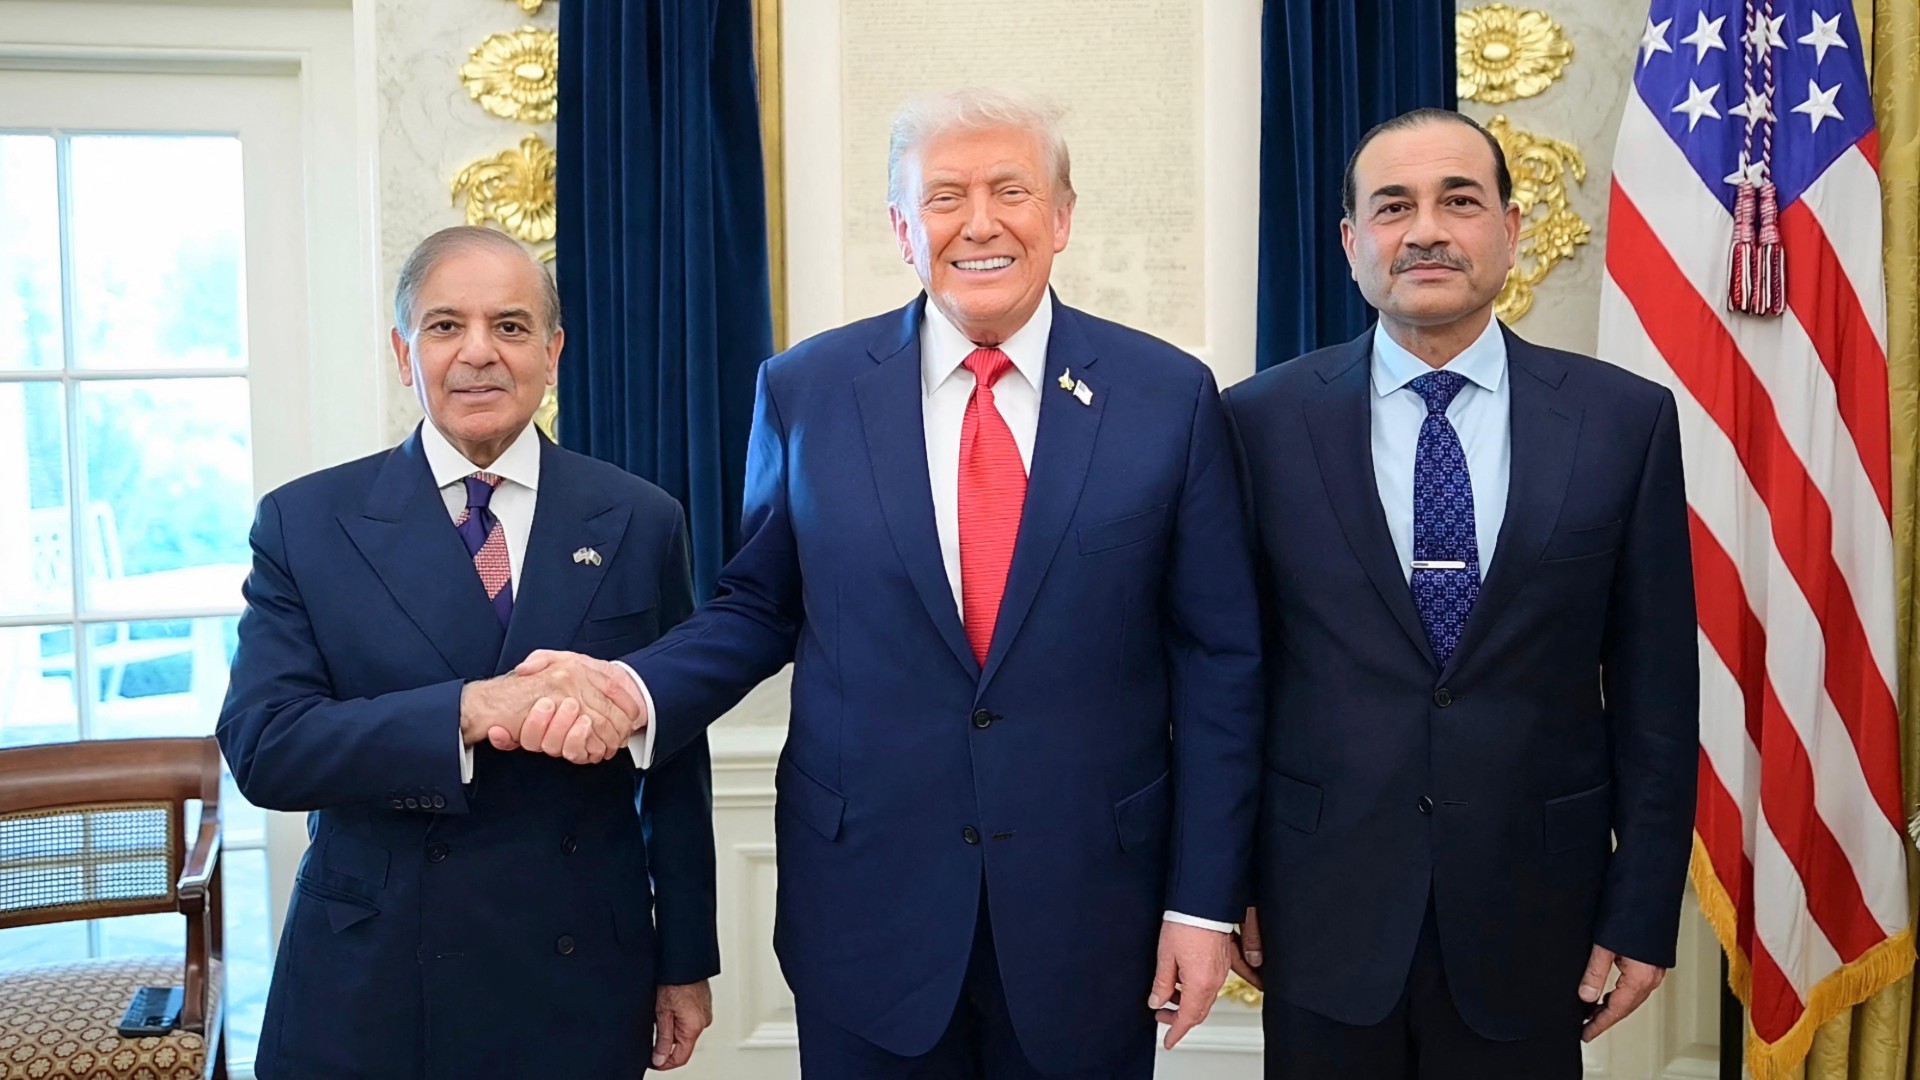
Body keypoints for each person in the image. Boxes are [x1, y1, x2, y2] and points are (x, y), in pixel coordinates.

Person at [510, 86, 1263, 1078]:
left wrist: (1203, 901)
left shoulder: (1168, 397)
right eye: (945, 197)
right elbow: (757, 604)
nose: (980, 223)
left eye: (1011, 192)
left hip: (1092, 913)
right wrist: (630, 689)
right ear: (904, 228)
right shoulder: (805, 390)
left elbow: (1222, 662)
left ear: (1063, 217)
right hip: (868, 910)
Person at [1222, 108, 1699, 1079]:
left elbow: (1656, 693)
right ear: (1353, 242)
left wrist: (1645, 907)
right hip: (1319, 913)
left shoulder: (1624, 423)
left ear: (1511, 232)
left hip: (1535, 917)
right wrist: (1221, 878)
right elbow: (1227, 678)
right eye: (1393, 206)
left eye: (1460, 201)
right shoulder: (1255, 424)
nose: (1427, 230)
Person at [217, 226, 719, 1079]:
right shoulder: (306, 523)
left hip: (578, 976)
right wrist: (471, 710)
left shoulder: (641, 518)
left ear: (553, 351)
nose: (479, 353)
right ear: (402, 351)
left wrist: (684, 958)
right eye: (446, 326)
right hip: (373, 979)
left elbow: (674, 758)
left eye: (512, 327)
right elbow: (268, 749)